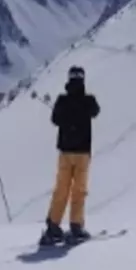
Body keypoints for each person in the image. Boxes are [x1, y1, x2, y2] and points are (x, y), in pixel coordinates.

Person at [43, 65, 101, 246]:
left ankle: (53, 226)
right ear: (83, 80)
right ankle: (76, 226)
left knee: (61, 188)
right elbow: (95, 111)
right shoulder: (88, 100)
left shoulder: (62, 100)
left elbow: (55, 120)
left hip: (65, 152)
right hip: (83, 152)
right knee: (79, 190)